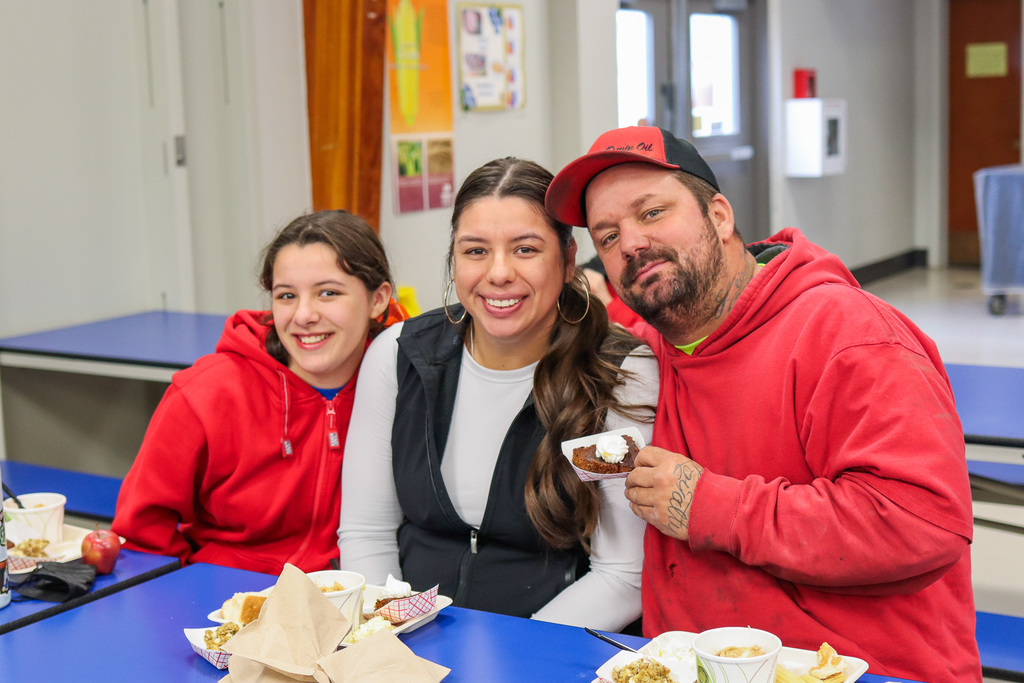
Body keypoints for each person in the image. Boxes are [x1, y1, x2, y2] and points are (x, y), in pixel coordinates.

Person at [544, 126, 980, 683]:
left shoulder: (848, 334)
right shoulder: (656, 352)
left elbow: (925, 524)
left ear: (720, 216)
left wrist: (709, 506)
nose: (628, 243)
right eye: (607, 236)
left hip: (853, 669)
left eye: (651, 213)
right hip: (690, 664)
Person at [338, 157, 657, 631]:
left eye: (526, 249)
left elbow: (621, 574)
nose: (499, 273)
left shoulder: (615, 376)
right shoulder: (399, 357)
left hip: (551, 648)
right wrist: (387, 641)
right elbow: (368, 532)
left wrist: (512, 659)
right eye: (475, 251)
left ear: (568, 261)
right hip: (407, 644)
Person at [113, 210, 406, 574]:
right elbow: (142, 536)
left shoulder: (404, 385)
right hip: (229, 603)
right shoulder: (207, 393)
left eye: (328, 293)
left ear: (378, 300)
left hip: (352, 600)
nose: (303, 315)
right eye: (286, 296)